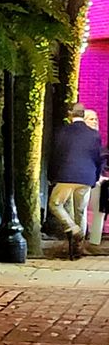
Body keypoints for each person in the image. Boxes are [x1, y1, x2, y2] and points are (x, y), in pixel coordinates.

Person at [48, 102, 103, 254]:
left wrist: (52, 175)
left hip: (66, 174)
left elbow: (55, 155)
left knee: (55, 204)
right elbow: (98, 158)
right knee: (81, 210)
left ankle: (73, 229)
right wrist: (95, 176)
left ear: (70, 114)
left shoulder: (62, 132)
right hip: (86, 177)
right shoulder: (94, 134)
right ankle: (79, 247)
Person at [84, 110, 109, 245]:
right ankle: (92, 237)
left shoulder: (97, 140)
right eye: (90, 119)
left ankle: (95, 237)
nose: (94, 122)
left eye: (95, 119)